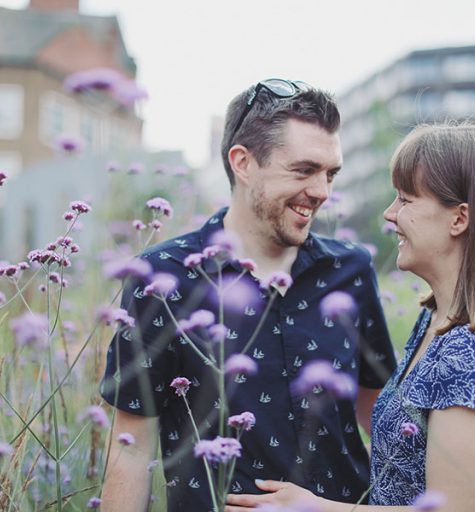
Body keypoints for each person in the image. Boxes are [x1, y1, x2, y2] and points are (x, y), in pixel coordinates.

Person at [99, 79, 397, 511]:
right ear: (243, 162)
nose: (322, 192)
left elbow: (382, 420)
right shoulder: (162, 279)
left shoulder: (351, 270)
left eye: (330, 173)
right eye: (303, 170)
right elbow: (131, 449)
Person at [226, 123, 475, 512]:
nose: (390, 214)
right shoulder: (437, 322)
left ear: (459, 218)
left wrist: (316, 508)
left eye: (406, 200)